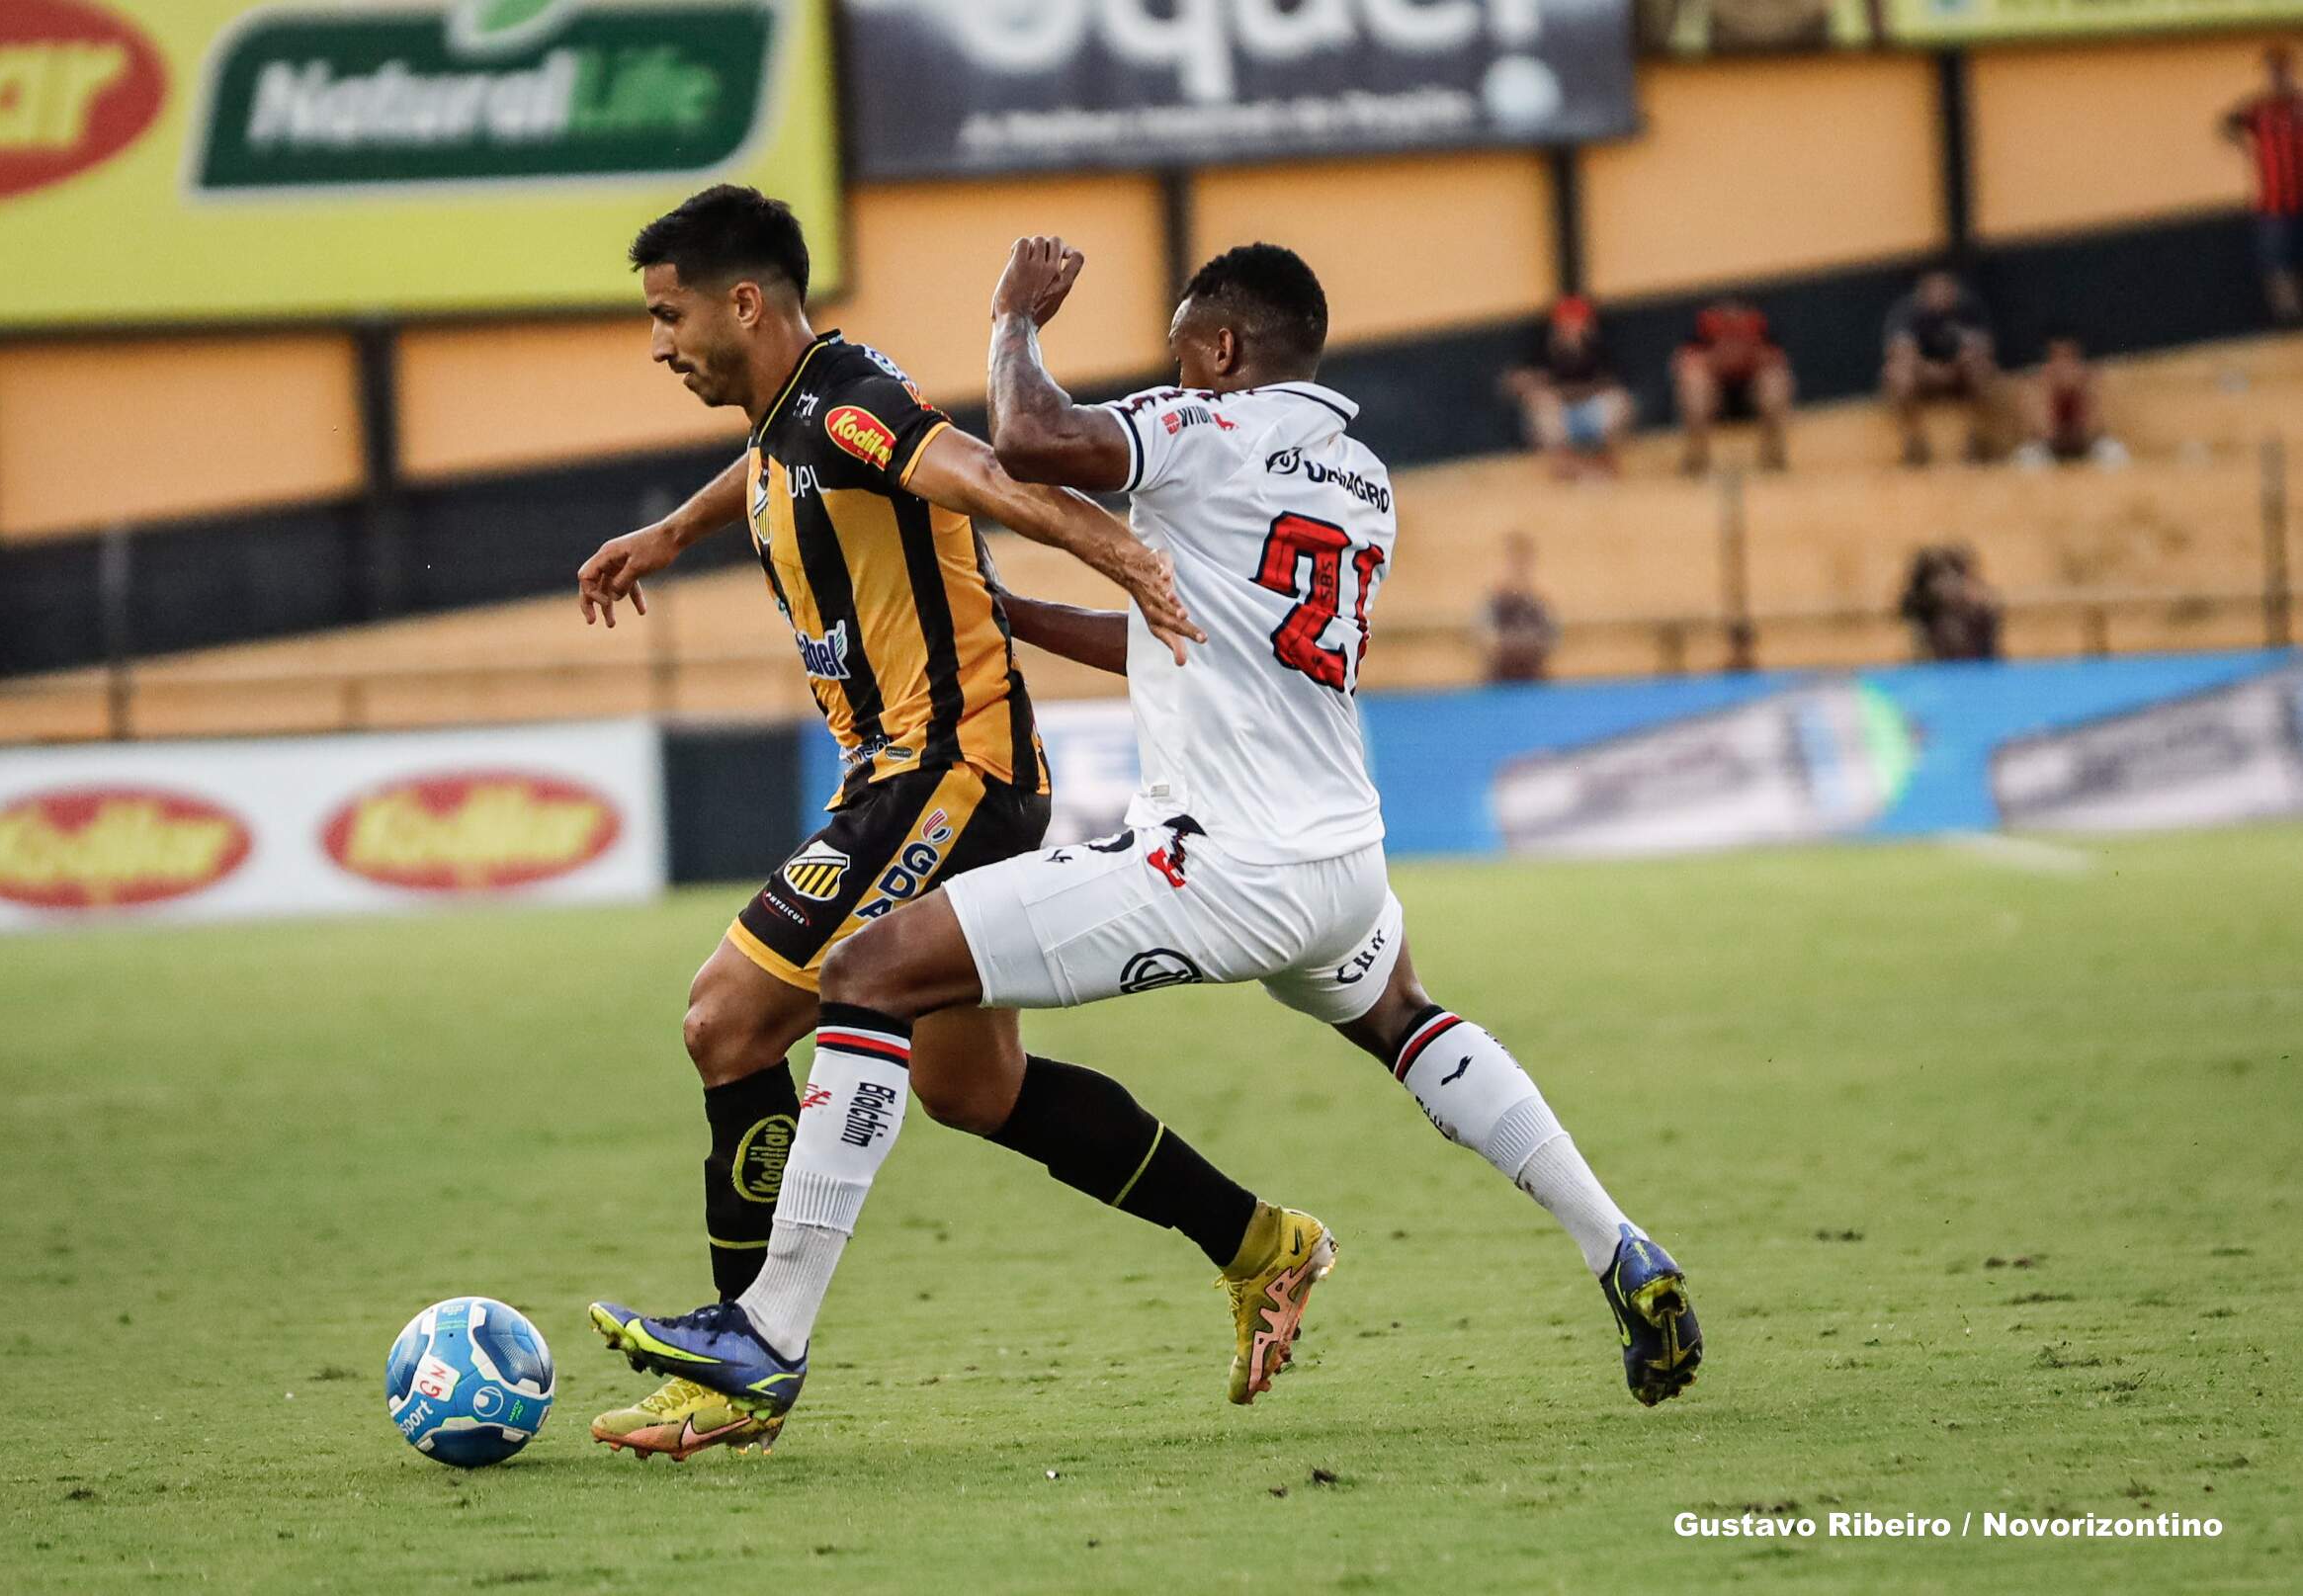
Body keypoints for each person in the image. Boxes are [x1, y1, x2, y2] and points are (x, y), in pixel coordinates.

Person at [592, 237, 1703, 1458]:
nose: (1169, 373)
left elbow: (1027, 442)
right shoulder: (1358, 481)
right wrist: (1002, 609)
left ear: (1220, 351)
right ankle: (1618, 1244)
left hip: (1210, 865)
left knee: (863, 973)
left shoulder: (1202, 430)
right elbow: (1178, 644)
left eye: (1181, 352)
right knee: (1406, 1022)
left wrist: (1015, 321)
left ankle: (766, 1341)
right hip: (1341, 863)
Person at [571, 187, 1293, 1461]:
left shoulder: (850, 398)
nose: (658, 342)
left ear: (745, 302)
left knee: (726, 1018)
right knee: (975, 1085)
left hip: (945, 771)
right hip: (920, 776)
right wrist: (674, 530)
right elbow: (781, 459)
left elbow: (975, 472)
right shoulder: (800, 410)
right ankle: (1259, 1241)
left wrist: (1121, 555)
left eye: (667, 313)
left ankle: (744, 1355)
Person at [1881, 270, 2001, 466]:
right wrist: (1932, 371)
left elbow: (1983, 349)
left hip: (1959, 376)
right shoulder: (1907, 314)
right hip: (1924, 378)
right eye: (1935, 291)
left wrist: (1952, 369)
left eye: (1945, 289)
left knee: (1983, 369)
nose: (1941, 295)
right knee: (1898, 375)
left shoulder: (1967, 311)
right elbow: (1901, 352)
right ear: (1923, 294)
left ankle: (1979, 440)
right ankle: (1915, 443)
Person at [1508, 295, 1633, 479]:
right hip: (1561, 417)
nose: (1572, 330)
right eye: (1566, 325)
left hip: (1592, 412)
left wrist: (1559, 390)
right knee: (1542, 406)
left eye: (1577, 324)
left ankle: (1606, 461)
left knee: (1619, 402)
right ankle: (1569, 467)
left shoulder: (1599, 349)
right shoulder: (1542, 350)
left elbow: (1611, 384)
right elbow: (1517, 383)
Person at [2223, 45, 2303, 325]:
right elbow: (2228, 124)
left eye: (2281, 70)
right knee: (2277, 264)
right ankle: (2290, 322)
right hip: (2273, 204)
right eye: (2272, 70)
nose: (2277, 77)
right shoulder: (2258, 109)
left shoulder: (2300, 106)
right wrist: (2243, 148)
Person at [1673, 299, 1792, 474]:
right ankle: (1697, 459)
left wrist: (1746, 357)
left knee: (1775, 382)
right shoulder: (1701, 333)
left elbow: (1778, 361)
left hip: (1749, 395)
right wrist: (1718, 360)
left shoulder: (1759, 328)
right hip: (1716, 398)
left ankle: (1773, 457)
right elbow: (1683, 364)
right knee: (1694, 386)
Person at [2014, 332, 2127, 469]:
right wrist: (2052, 392)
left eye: (2069, 357)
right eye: (2057, 358)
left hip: (2085, 448)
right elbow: (2043, 433)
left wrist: (2083, 393)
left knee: (2114, 453)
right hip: (2050, 451)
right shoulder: (2037, 385)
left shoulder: (2092, 382)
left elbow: (2095, 430)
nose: (2063, 366)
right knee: (2028, 459)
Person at [1898, 545, 2003, 662]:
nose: (1950, 585)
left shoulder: (1980, 603)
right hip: (1938, 667)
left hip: (1979, 666)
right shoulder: (1926, 604)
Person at [1483, 531, 1560, 682]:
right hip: (1499, 679)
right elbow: (1486, 640)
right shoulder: (1494, 603)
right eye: (1513, 563)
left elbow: (1551, 637)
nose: (1518, 569)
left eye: (1522, 563)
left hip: (1534, 677)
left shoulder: (1538, 603)